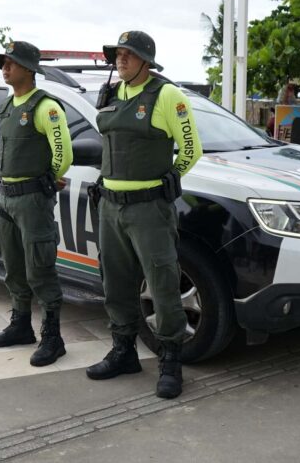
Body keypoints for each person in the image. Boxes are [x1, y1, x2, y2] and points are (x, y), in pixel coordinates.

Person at [86, 30, 201, 399]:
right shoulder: (111, 94)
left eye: (128, 55)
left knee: (162, 284)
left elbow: (191, 150)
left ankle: (171, 360)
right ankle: (124, 351)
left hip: (149, 208)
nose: (120, 60)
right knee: (116, 282)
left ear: (145, 61)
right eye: (117, 54)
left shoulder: (166, 95)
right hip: (110, 206)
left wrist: (168, 180)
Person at [0, 41, 73, 367]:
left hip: (33, 199)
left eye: (12, 63)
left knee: (40, 268)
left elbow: (64, 152)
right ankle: (21, 325)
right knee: (13, 265)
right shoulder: (7, 106)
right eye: (3, 63)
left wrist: (50, 176)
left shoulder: (45, 107)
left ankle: (53, 337)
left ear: (29, 69)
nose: (5, 68)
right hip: (6, 197)